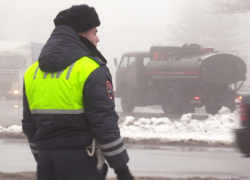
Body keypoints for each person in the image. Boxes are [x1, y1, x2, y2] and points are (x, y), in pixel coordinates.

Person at [22, 4, 134, 180]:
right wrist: (121, 169)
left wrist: (42, 155)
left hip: (46, 163)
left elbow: (29, 125)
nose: (98, 39)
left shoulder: (32, 72)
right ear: (80, 34)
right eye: (94, 33)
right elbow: (104, 123)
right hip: (82, 161)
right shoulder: (91, 69)